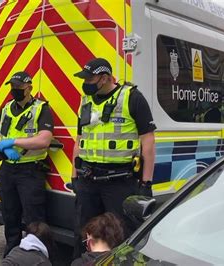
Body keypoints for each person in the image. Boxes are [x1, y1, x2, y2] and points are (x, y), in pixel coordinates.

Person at [71, 58, 156, 258]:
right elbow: (79, 141)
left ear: (104, 78)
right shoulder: (86, 103)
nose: (85, 83)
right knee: (83, 234)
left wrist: (146, 183)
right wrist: (74, 176)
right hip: (88, 180)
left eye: (89, 79)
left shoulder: (132, 98)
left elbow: (148, 143)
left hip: (120, 182)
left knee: (121, 235)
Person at [0, 71, 54, 257]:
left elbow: (44, 140)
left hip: (30, 172)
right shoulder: (6, 108)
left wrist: (14, 142)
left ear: (29, 88)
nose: (14, 90)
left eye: (19, 87)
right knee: (10, 214)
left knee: (34, 217)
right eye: (12, 87)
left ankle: (36, 255)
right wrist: (1, 145)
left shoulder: (41, 108)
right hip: (7, 169)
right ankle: (13, 250)